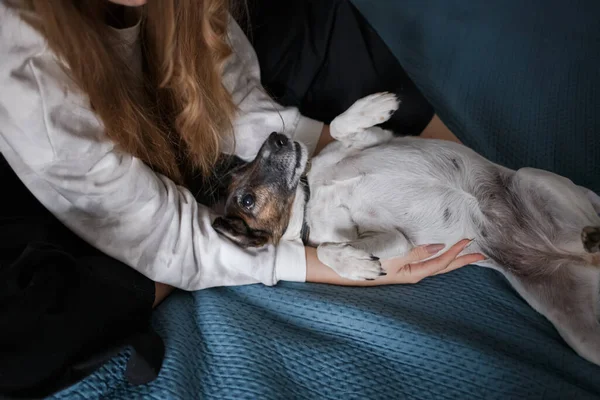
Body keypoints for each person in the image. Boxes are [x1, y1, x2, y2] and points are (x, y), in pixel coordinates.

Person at [0, 0, 484, 397]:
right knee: (33, 335)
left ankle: (442, 155)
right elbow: (160, 232)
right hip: (49, 191)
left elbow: (231, 102)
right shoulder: (22, 57)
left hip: (166, 136)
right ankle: (164, 269)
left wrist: (337, 150)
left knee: (299, 19)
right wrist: (322, 263)